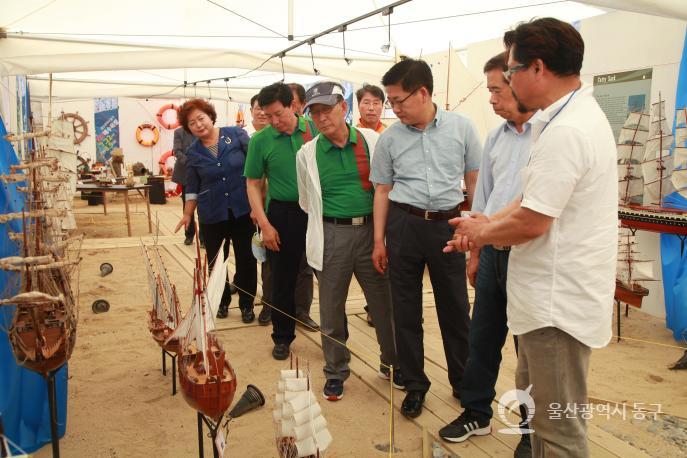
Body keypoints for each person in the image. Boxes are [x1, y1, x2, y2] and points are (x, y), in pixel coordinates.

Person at [446, 18, 617, 457]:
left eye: (511, 70)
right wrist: (483, 225)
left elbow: (532, 221)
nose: (508, 80)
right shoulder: (563, 118)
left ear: (537, 68)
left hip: (556, 308)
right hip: (544, 300)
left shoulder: (567, 130)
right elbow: (528, 198)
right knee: (541, 418)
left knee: (558, 432)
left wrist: (482, 231)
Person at [369, 58, 482, 419]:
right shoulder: (389, 139)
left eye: (399, 100)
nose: (395, 108)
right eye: (391, 101)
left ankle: (463, 381)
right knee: (405, 309)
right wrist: (378, 241)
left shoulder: (462, 129)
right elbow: (383, 190)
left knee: (455, 307)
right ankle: (415, 384)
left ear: (423, 92)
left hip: (447, 226)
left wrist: (473, 229)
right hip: (403, 225)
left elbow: (476, 183)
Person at [438, 52, 534, 457]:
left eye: (497, 89)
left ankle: (532, 434)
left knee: (528, 351)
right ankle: (477, 411)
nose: (491, 98)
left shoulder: (548, 135)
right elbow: (485, 197)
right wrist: (476, 252)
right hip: (493, 251)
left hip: (530, 256)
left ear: (521, 83)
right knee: (483, 337)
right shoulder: (495, 137)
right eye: (491, 89)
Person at [295, 81, 401, 401]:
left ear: (344, 107)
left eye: (327, 109)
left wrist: (381, 235)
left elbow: (389, 186)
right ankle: (336, 371)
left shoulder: (372, 140)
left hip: (372, 233)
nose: (321, 118)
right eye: (314, 112)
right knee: (330, 309)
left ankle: (392, 363)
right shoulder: (307, 154)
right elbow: (305, 201)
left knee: (384, 305)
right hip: (331, 235)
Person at [245, 83, 318, 360]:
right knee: (282, 279)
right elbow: (252, 184)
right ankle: (283, 336)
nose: (274, 121)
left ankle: (336, 336)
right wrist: (265, 224)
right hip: (282, 213)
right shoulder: (260, 140)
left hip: (318, 211)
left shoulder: (316, 131)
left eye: (278, 114)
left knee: (328, 275)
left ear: (294, 107)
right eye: (267, 115)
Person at [174, 98, 257, 323]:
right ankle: (221, 302)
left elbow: (255, 167)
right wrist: (187, 214)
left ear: (211, 116)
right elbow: (192, 187)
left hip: (243, 209)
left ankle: (247, 304)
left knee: (246, 259)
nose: (199, 125)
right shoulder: (193, 152)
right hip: (212, 213)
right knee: (217, 260)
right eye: (192, 123)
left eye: (201, 118)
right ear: (188, 128)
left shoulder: (236, 134)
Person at [355, 83, 387, 327]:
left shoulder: (389, 133)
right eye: (366, 102)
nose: (371, 108)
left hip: (387, 204)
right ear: (358, 106)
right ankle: (372, 306)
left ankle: (385, 306)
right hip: (363, 204)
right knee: (367, 261)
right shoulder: (352, 135)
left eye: (376, 103)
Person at [173, 126, 199, 245]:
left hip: (203, 171)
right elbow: (177, 151)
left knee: (203, 206)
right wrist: (190, 162)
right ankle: (189, 234)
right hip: (186, 173)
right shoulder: (179, 132)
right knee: (187, 204)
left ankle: (203, 238)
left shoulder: (200, 129)